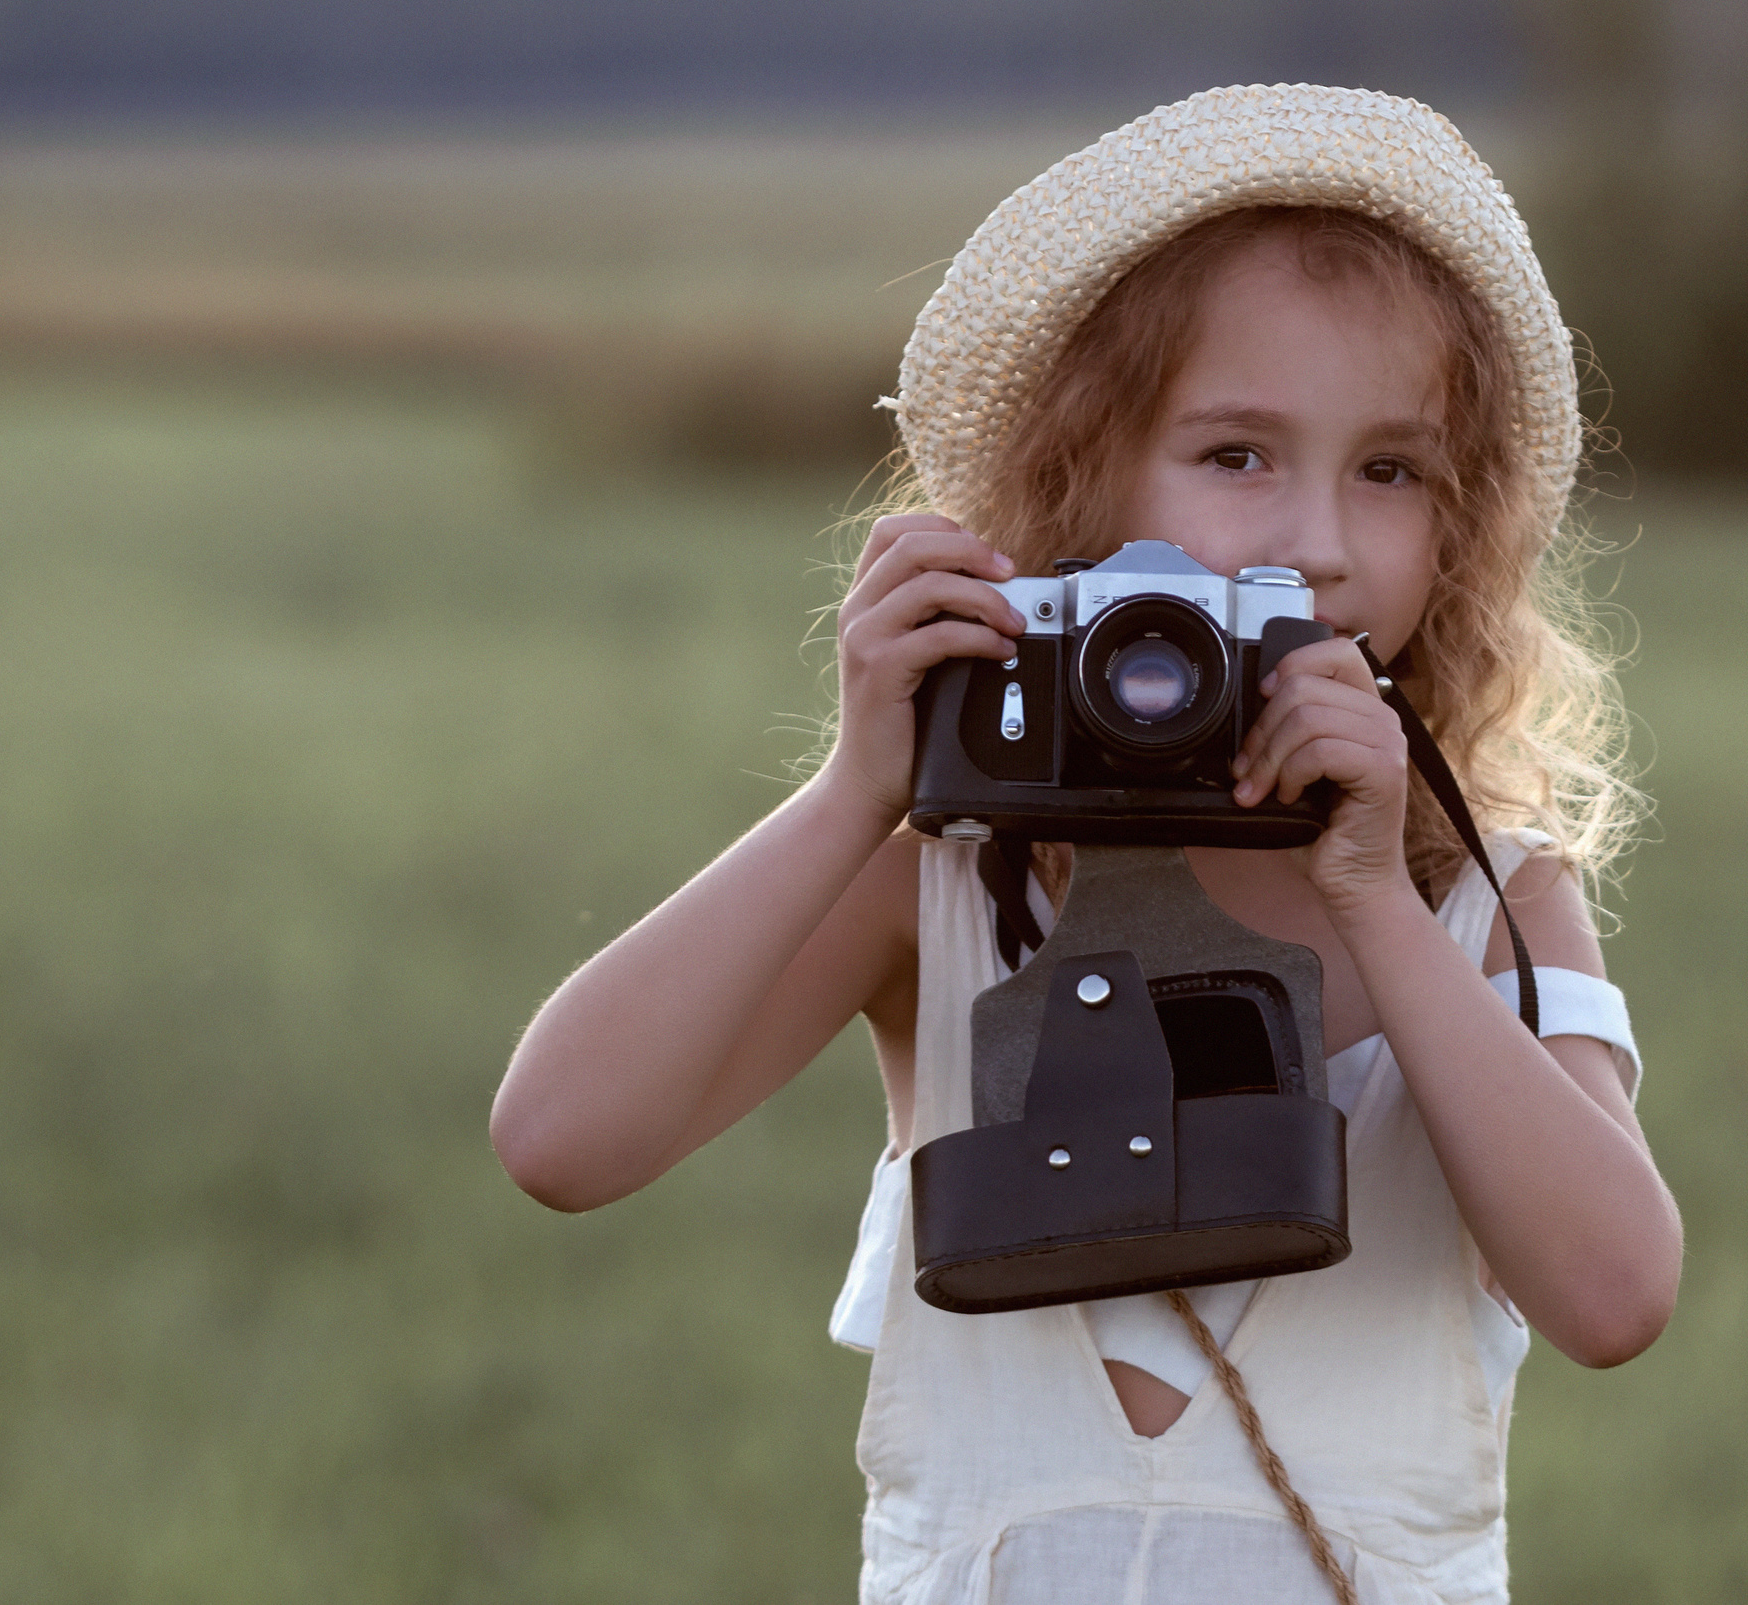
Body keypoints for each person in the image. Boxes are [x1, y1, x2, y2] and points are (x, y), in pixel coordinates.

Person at [491, 84, 1682, 1605]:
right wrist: (864, 784)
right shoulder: (947, 865)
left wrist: (1376, 893)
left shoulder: (1483, 893)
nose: (1317, 538)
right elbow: (561, 1142)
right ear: (1088, 476)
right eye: (1238, 455)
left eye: (1392, 471)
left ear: (1463, 531)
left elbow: (1615, 1294)